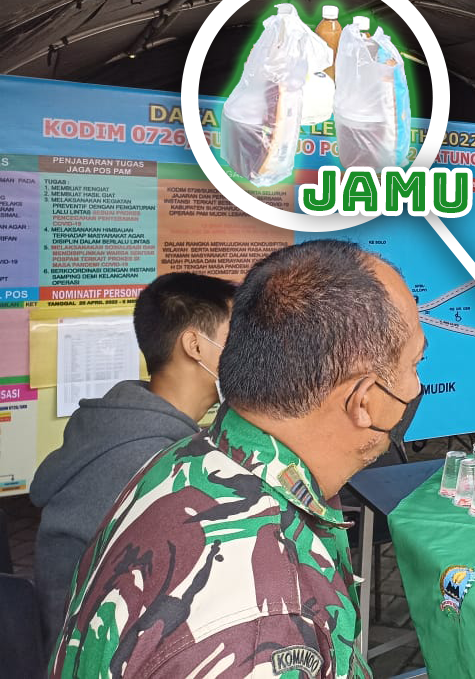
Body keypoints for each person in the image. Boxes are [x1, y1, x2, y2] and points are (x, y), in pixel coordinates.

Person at [48, 240, 425, 678]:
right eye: (415, 363)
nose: (417, 386)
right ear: (363, 401)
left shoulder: (185, 459)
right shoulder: (266, 625)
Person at [31, 272, 235, 644]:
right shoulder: (150, 462)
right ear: (195, 345)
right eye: (236, 337)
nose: (248, 352)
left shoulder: (121, 425)